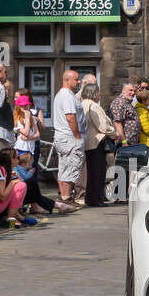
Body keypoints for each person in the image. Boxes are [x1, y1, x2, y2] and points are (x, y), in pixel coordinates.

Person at [51, 69, 86, 209]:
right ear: (67, 80)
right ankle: (66, 199)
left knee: (64, 168)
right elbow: (70, 117)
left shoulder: (63, 94)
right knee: (71, 168)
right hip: (69, 137)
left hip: (63, 137)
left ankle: (65, 198)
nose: (79, 82)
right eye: (76, 79)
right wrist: (77, 136)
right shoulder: (67, 96)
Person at [81, 82, 116, 208]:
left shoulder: (83, 104)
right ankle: (96, 199)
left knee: (91, 173)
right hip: (97, 142)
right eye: (98, 92)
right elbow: (103, 126)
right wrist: (114, 133)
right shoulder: (94, 106)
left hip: (88, 142)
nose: (100, 94)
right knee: (98, 173)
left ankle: (91, 198)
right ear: (93, 93)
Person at [109, 81, 139, 148]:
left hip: (132, 144)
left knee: (133, 159)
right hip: (125, 145)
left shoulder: (126, 103)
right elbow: (117, 123)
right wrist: (124, 142)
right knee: (128, 159)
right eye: (130, 90)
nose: (133, 93)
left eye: (134, 91)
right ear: (123, 90)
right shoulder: (119, 103)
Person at [133, 83, 149, 147]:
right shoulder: (142, 111)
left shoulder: (143, 109)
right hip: (146, 143)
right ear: (144, 100)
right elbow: (147, 129)